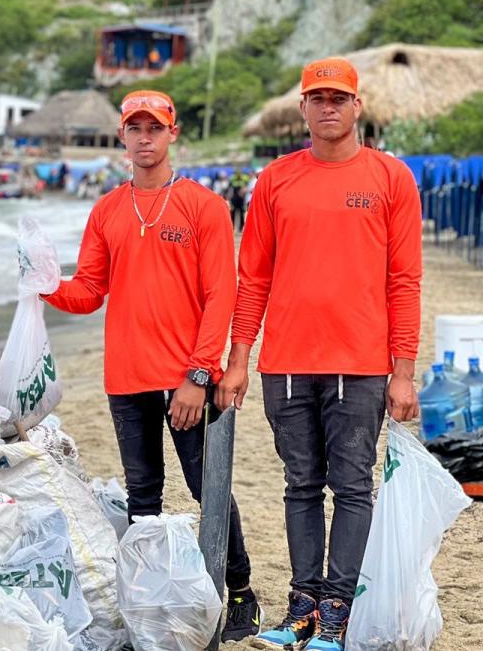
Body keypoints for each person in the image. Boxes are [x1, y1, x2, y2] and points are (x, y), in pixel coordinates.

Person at [215, 58, 421, 651]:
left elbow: (404, 280)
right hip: (285, 362)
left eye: (339, 96)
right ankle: (302, 607)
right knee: (300, 485)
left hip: (360, 365)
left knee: (352, 487)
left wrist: (402, 373)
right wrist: (240, 357)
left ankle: (338, 612)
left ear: (358, 107)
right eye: (317, 97)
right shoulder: (276, 180)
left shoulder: (391, 179)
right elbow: (252, 278)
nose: (328, 106)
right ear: (303, 108)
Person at [42, 90, 263, 642]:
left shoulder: (203, 206)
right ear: (122, 135)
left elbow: (222, 294)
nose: (145, 137)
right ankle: (150, 597)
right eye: (135, 128)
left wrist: (197, 375)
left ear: (173, 133)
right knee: (143, 497)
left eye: (155, 128)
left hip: (187, 379)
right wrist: (44, 287)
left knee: (206, 488)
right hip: (125, 377)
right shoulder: (108, 210)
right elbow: (90, 289)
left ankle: (240, 592)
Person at [227, 168, 249, 232]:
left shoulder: (244, 178)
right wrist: (229, 196)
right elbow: (229, 188)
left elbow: (247, 185)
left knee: (241, 212)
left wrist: (244, 190)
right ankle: (233, 227)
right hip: (234, 197)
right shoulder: (232, 178)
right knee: (233, 212)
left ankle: (241, 227)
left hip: (241, 198)